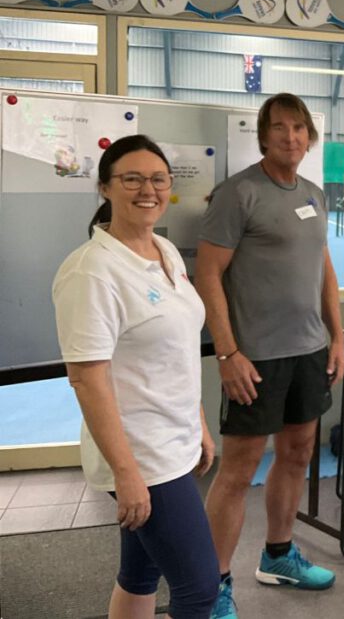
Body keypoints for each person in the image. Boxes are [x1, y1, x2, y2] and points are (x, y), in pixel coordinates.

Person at [52, 135, 219, 619]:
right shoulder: (91, 271)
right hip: (142, 456)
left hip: (174, 438)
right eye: (132, 179)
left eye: (158, 179)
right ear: (105, 187)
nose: (147, 189)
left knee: (141, 574)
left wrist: (200, 425)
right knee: (199, 588)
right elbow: (87, 378)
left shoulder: (162, 250)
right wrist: (126, 474)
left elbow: (177, 351)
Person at [195, 93, 344, 617]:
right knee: (237, 471)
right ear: (263, 136)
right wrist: (227, 352)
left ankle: (278, 555)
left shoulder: (314, 193)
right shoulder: (238, 194)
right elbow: (208, 274)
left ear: (310, 137)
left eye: (299, 128)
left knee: (299, 453)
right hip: (254, 358)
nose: (291, 137)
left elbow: (322, 268)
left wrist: (337, 336)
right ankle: (211, 587)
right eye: (280, 128)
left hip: (309, 351)